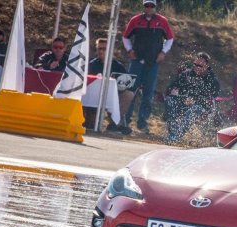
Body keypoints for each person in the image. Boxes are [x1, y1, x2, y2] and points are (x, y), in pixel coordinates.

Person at [121, 0, 175, 135]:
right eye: (147, 6)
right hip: (137, 61)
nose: (149, 8)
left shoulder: (162, 21)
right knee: (130, 91)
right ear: (143, 6)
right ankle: (125, 122)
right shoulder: (135, 20)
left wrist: (163, 52)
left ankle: (142, 123)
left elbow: (170, 38)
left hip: (153, 63)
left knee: (148, 94)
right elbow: (125, 36)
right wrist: (129, 50)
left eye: (152, 6)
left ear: (155, 7)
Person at [164, 52, 220, 143]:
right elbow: (171, 87)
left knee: (193, 109)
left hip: (203, 109)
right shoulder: (187, 74)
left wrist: (195, 101)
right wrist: (174, 92)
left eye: (200, 66)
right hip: (185, 104)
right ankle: (173, 132)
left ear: (206, 66)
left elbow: (212, 99)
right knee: (170, 101)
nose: (196, 67)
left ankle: (175, 137)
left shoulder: (212, 80)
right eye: (195, 64)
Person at [86, 38, 133, 132]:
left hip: (113, 96)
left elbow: (127, 84)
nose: (101, 51)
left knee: (129, 94)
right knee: (90, 126)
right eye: (99, 48)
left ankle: (114, 123)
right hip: (94, 96)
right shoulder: (91, 65)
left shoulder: (118, 66)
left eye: (104, 49)